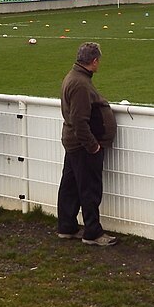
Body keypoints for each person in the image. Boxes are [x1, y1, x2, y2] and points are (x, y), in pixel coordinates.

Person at [57, 42, 118, 246]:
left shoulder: (74, 77)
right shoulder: (80, 84)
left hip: (74, 142)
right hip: (83, 145)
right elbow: (80, 120)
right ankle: (92, 232)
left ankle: (67, 226)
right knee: (89, 189)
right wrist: (93, 146)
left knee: (70, 186)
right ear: (94, 61)